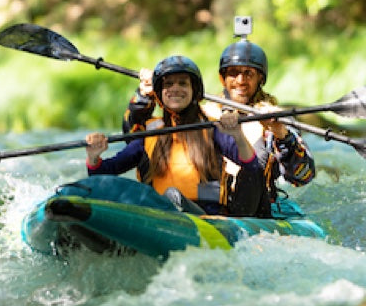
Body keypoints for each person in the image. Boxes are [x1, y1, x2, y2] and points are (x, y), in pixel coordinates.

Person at [122, 37, 315, 217]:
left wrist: (281, 134)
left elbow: (303, 176)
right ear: (222, 78)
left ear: (260, 80)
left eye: (249, 73)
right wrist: (144, 97)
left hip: (251, 208)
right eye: (233, 73)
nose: (240, 80)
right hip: (207, 205)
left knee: (253, 168)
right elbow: (134, 136)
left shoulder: (270, 119)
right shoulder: (203, 115)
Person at [86, 55, 263, 216]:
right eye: (168, 84)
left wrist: (237, 136)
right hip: (159, 213)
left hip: (207, 217)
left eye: (183, 83)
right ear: (160, 94)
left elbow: (252, 167)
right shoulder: (149, 133)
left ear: (194, 90)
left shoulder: (212, 128)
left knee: (174, 197)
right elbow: (102, 175)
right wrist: (93, 157)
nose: (175, 89)